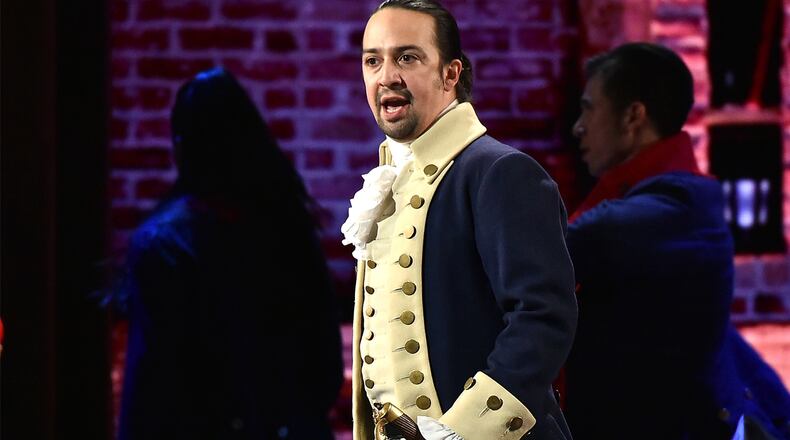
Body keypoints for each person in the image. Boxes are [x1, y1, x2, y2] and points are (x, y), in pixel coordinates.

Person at [340, 1, 577, 439]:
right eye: (373, 60)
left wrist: (465, 431)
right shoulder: (388, 178)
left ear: (450, 74)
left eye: (407, 57)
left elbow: (542, 317)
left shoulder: (499, 172)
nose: (386, 75)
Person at [565, 42, 790, 439]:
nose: (578, 127)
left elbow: (559, 246)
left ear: (633, 116)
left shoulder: (674, 206)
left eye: (588, 108)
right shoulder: (663, 196)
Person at [113, 68, 343, 440]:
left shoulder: (164, 245)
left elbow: (150, 397)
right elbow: (324, 371)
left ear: (182, 145)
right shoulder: (286, 228)